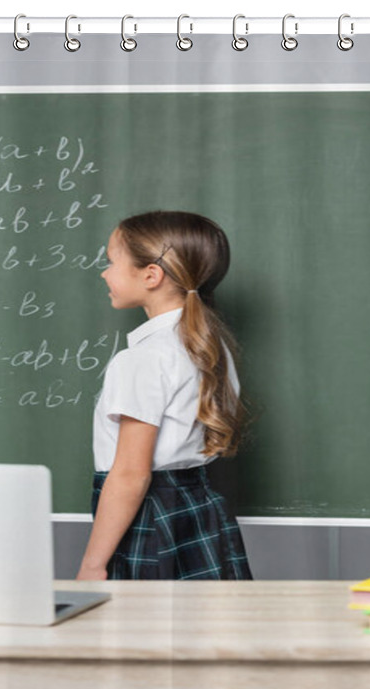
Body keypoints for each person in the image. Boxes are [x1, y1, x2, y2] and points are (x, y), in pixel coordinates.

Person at [76, 210, 254, 581]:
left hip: (149, 517)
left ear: (151, 275)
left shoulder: (142, 358)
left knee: (142, 632)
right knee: (203, 633)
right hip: (200, 508)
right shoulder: (211, 348)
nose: (104, 272)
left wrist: (92, 564)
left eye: (111, 262)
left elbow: (130, 474)